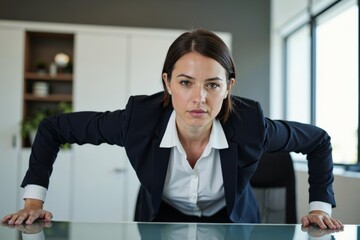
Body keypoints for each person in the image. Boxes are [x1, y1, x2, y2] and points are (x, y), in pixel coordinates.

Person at [2, 29, 343, 229]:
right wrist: (34, 202)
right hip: (160, 220)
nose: (199, 98)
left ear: (228, 87)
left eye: (212, 85)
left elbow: (318, 141)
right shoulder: (138, 121)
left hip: (232, 222)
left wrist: (319, 209)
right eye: (185, 82)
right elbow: (52, 128)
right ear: (167, 83)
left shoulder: (251, 126)